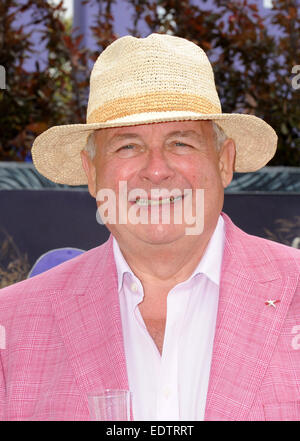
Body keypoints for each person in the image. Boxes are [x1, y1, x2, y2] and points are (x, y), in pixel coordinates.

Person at [0, 33, 299, 421]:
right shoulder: (12, 324)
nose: (156, 170)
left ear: (225, 162)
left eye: (181, 143)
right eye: (127, 145)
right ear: (92, 172)